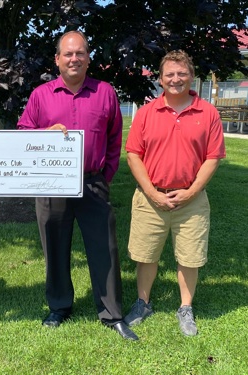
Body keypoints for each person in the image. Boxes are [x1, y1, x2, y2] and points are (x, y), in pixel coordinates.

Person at [17, 30, 138, 341]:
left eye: (80, 53)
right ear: (57, 60)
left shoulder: (105, 92)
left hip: (92, 183)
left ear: (88, 58)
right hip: (51, 185)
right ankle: (59, 306)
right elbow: (23, 134)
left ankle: (111, 314)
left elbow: (114, 138)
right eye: (68, 54)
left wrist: (106, 176)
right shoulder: (40, 95)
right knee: (54, 247)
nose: (74, 58)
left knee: (104, 249)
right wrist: (45, 134)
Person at [124, 50, 226, 336]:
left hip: (191, 201)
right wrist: (151, 193)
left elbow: (213, 157)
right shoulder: (146, 113)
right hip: (150, 199)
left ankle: (185, 307)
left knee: (189, 257)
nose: (176, 79)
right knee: (146, 255)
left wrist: (192, 192)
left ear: (191, 76)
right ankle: (143, 302)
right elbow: (133, 155)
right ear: (160, 79)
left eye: (182, 73)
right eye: (170, 74)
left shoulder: (208, 113)